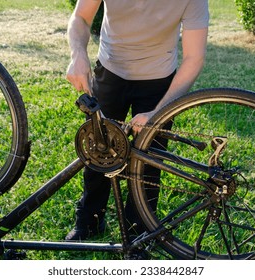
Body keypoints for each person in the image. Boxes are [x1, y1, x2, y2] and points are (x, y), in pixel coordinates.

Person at [65, 0, 209, 241]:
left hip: (159, 79)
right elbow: (80, 17)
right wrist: (78, 54)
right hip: (110, 70)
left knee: (149, 161)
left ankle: (139, 229)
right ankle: (90, 220)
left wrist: (157, 113)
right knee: (99, 150)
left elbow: (194, 58)